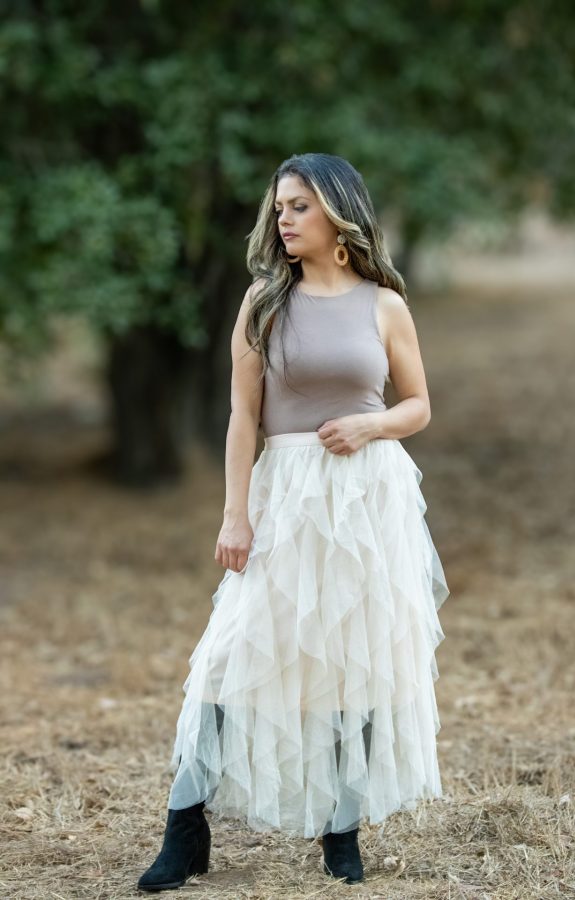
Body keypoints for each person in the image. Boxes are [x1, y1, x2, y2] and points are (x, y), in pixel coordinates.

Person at [137, 152, 450, 891]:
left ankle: (342, 831)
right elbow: (242, 419)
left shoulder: (384, 304)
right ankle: (186, 828)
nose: (283, 218)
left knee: (357, 660)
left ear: (339, 215)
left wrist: (369, 430)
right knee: (227, 657)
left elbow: (419, 405)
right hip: (285, 493)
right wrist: (235, 514)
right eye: (279, 206)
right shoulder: (262, 302)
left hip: (369, 499)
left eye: (299, 206)